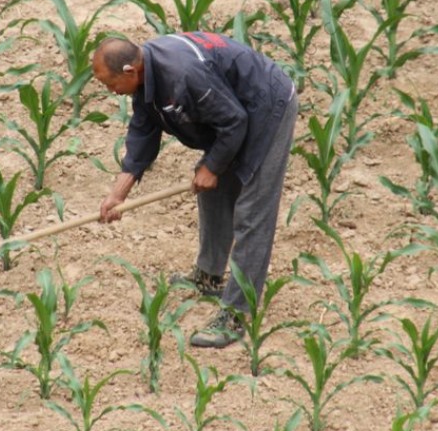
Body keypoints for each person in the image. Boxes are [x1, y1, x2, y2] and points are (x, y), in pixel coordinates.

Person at [93, 32, 299, 348]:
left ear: (129, 71)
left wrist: (213, 165)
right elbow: (143, 132)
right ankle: (209, 274)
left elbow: (235, 121)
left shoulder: (182, 75)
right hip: (233, 110)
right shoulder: (147, 74)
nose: (111, 92)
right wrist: (119, 193)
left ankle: (238, 312)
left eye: (110, 84)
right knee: (212, 190)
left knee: (252, 211)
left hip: (266, 107)